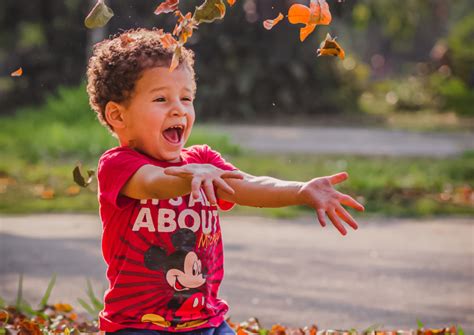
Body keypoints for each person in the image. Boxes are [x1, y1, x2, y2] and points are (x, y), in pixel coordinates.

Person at [86, 28, 365, 335]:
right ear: (117, 115)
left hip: (208, 322)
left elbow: (248, 184)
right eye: (161, 99)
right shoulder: (118, 165)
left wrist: (300, 190)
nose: (179, 108)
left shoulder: (203, 160)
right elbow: (154, 183)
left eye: (186, 97)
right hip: (138, 327)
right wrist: (197, 175)